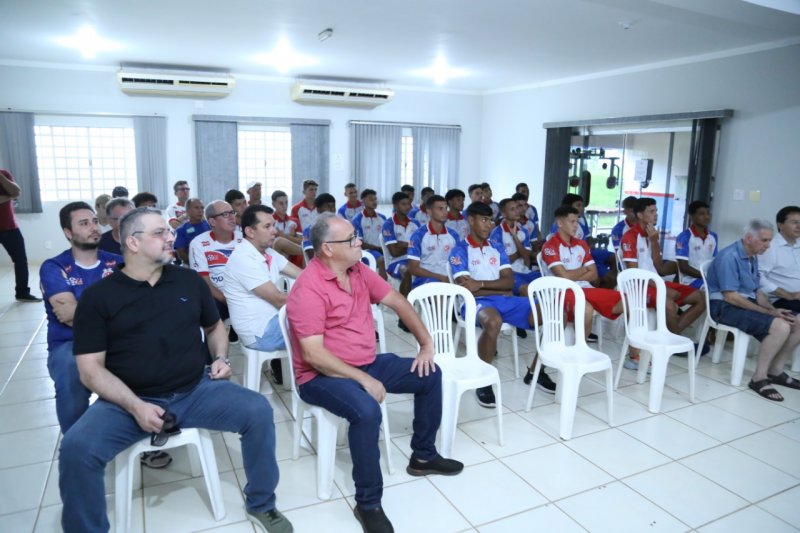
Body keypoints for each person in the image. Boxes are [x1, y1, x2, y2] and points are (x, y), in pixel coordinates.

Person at [59, 207, 292, 533]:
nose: (171, 237)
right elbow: (90, 371)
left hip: (194, 390)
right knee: (76, 449)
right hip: (127, 401)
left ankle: (262, 503)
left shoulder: (187, 281)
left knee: (257, 411)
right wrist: (136, 406)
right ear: (133, 243)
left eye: (169, 230)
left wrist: (221, 358)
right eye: (159, 233)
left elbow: (214, 328)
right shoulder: (100, 298)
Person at [286, 213, 463, 533]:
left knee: (429, 374)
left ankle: (423, 456)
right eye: (351, 238)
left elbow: (397, 300)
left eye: (356, 236)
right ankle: (368, 503)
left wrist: (426, 344)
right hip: (320, 376)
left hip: (365, 363)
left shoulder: (357, 270)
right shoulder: (308, 289)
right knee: (367, 411)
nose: (359, 242)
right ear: (327, 249)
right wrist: (364, 379)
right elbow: (314, 355)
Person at [449, 202, 555, 407]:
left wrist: (480, 284)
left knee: (552, 313)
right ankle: (482, 380)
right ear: (471, 220)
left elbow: (509, 282)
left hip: (503, 299)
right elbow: (467, 289)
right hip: (474, 302)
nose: (489, 225)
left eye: (490, 220)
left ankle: (536, 371)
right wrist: (497, 288)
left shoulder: (496, 247)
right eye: (484, 220)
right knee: (493, 322)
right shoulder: (459, 250)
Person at [40, 202, 122, 434]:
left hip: (115, 339)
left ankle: (142, 433)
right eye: (84, 223)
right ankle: (77, 443)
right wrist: (114, 312)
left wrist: (84, 311)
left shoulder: (117, 262)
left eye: (95, 221)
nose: (93, 227)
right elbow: (68, 317)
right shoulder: (54, 267)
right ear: (68, 232)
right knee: (69, 370)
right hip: (70, 344)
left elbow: (138, 309)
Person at [707, 219, 800, 402]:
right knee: (780, 327)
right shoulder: (730, 256)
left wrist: (773, 309)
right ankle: (759, 378)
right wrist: (768, 314)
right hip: (723, 307)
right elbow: (731, 297)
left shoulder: (752, 256)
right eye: (764, 240)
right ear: (749, 238)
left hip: (742, 302)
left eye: (769, 240)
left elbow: (757, 291)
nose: (768, 245)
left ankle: (776, 370)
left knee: (796, 321)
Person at [620, 197, 707, 369]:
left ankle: (672, 336)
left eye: (656, 211)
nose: (656, 215)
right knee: (669, 305)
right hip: (638, 286)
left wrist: (654, 241)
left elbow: (658, 267)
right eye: (651, 211)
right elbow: (634, 274)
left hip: (654, 281)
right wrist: (662, 289)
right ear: (639, 215)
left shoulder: (651, 235)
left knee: (701, 298)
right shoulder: (630, 237)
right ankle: (672, 341)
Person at [541, 206, 625, 343]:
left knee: (628, 300)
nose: (576, 226)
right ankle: (580, 347)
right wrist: (584, 270)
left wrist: (572, 274)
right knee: (586, 309)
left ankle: (634, 354)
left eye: (577, 222)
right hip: (560, 292)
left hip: (584, 288)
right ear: (560, 223)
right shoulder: (550, 246)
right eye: (572, 222)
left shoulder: (581, 244)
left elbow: (594, 275)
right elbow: (564, 278)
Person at [224, 205, 302, 354]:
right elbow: (279, 300)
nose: (274, 231)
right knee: (325, 326)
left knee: (331, 320)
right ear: (250, 231)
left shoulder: (269, 252)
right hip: (261, 332)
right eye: (267, 226)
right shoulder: (243, 259)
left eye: (273, 225)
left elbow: (303, 276)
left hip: (274, 320)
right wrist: (319, 298)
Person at [189, 200, 243, 343]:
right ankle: (212, 361)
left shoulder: (243, 239)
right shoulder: (198, 243)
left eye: (232, 212)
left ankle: (275, 361)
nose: (232, 217)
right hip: (218, 297)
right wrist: (228, 300)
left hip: (244, 295)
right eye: (225, 214)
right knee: (209, 310)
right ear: (212, 221)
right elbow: (204, 282)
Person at [0, 169, 41, 302]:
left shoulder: (3, 174)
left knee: (21, 260)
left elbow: (16, 192)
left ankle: (22, 292)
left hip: (9, 227)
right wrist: (9, 196)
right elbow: (13, 194)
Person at [489, 198, 540, 298]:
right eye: (512, 209)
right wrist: (520, 252)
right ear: (504, 214)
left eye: (517, 208)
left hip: (525, 271)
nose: (517, 211)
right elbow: (503, 263)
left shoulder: (523, 231)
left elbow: (526, 260)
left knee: (548, 283)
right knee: (526, 290)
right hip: (510, 275)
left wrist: (515, 237)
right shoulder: (497, 233)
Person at [407, 194, 460, 288]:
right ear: (429, 211)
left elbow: (458, 261)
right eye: (440, 209)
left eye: (446, 208)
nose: (445, 212)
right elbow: (413, 268)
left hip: (449, 277)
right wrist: (440, 277)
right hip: (426, 278)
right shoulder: (418, 235)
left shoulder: (453, 235)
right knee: (436, 288)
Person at [759, 206, 800, 313]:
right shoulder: (770, 246)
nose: (799, 226)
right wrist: (788, 294)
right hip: (782, 299)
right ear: (780, 225)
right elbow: (758, 277)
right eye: (794, 222)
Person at [381, 191, 420, 301]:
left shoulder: (415, 223)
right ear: (395, 206)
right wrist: (412, 246)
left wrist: (401, 244)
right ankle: (405, 307)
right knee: (407, 270)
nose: (408, 207)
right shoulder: (388, 224)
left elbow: (422, 245)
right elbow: (394, 252)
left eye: (409, 203)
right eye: (403, 204)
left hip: (415, 259)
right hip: (395, 262)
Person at [675, 200, 718, 288]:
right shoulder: (684, 237)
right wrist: (706, 277)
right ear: (692, 216)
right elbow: (684, 268)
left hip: (707, 278)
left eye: (708, 213)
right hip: (690, 281)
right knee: (712, 291)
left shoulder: (713, 236)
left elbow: (714, 261)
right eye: (702, 214)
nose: (706, 217)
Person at [352, 189, 388, 278]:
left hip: (382, 250)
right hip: (366, 251)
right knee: (381, 260)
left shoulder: (382, 218)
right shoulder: (357, 219)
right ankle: (383, 287)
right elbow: (360, 243)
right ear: (363, 201)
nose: (374, 202)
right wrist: (378, 248)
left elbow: (387, 238)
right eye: (371, 199)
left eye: (375, 199)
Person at [271, 190, 304, 267]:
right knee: (279, 242)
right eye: (281, 203)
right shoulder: (270, 221)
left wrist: (286, 236)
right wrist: (292, 238)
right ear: (273, 204)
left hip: (295, 259)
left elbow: (303, 241)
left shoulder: (294, 221)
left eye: (286, 202)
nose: (284, 206)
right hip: (276, 258)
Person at [173, 198, 210, 264]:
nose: (200, 211)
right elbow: (181, 255)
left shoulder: (210, 226)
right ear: (188, 210)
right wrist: (199, 261)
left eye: (202, 208)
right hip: (190, 265)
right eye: (196, 208)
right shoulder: (181, 230)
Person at [301, 193, 336, 261]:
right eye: (328, 206)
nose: (331, 209)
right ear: (318, 209)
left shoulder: (339, 227)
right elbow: (311, 256)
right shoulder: (310, 230)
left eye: (333, 206)